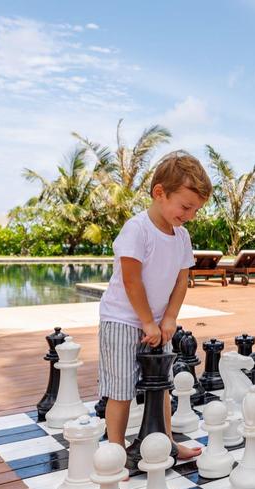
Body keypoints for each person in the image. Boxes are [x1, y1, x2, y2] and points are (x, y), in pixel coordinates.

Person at [98, 150, 211, 460]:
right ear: (159, 193)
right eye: (186, 206)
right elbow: (132, 281)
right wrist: (147, 321)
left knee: (161, 386)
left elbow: (180, 280)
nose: (190, 215)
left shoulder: (182, 237)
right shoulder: (137, 229)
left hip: (158, 324)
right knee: (121, 390)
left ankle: (168, 442)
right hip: (122, 319)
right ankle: (115, 454)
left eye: (196, 210)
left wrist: (169, 318)